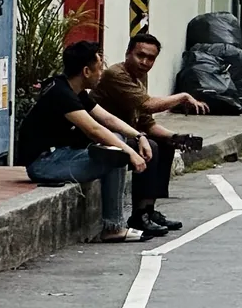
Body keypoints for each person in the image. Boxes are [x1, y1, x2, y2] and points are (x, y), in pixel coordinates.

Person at [20, 41, 151, 245]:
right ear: (86, 71)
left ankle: (117, 224)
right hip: (44, 164)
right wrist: (130, 154)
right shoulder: (61, 93)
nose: (102, 72)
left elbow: (107, 119)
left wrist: (139, 136)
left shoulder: (73, 89)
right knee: (116, 156)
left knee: (117, 141)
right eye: (99, 68)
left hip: (62, 154)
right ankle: (113, 227)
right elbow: (94, 129)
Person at [97, 33, 208, 235]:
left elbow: (146, 121)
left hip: (127, 133)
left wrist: (175, 137)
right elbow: (146, 104)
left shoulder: (140, 77)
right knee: (151, 147)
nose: (145, 62)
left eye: (151, 58)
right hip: (107, 136)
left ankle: (149, 209)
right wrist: (182, 97)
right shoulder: (116, 75)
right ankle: (139, 216)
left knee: (164, 143)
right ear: (128, 53)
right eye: (140, 55)